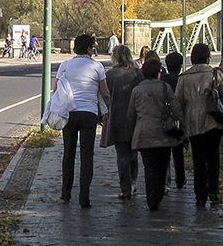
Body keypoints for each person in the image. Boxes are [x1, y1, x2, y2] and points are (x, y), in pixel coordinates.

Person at [174, 43, 223, 208]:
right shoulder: (215, 74)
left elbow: (178, 104)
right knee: (213, 156)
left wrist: (180, 125)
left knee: (198, 159)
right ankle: (214, 191)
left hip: (193, 122)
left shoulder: (183, 78)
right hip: (214, 120)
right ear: (208, 56)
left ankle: (200, 194)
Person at [53, 34, 111, 208]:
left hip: (69, 113)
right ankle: (84, 198)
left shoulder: (64, 66)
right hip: (89, 114)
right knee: (87, 155)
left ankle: (65, 193)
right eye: (93, 47)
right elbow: (105, 93)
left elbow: (56, 90)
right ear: (89, 49)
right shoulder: (97, 66)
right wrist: (106, 109)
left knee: (68, 154)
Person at [128, 57, 184, 211]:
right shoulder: (165, 88)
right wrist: (183, 126)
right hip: (163, 132)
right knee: (162, 164)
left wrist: (133, 130)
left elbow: (131, 114)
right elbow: (176, 108)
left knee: (149, 167)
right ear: (159, 72)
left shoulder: (137, 90)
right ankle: (158, 193)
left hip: (144, 132)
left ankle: (152, 198)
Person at [99, 45, 142, 200]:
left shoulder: (109, 75)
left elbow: (103, 96)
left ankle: (125, 188)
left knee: (121, 154)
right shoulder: (136, 73)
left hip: (116, 117)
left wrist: (102, 114)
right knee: (133, 152)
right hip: (135, 117)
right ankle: (133, 182)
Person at [161, 51, 188, 190]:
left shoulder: (163, 80)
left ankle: (166, 181)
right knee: (178, 150)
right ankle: (180, 178)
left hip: (166, 118)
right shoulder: (183, 79)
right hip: (179, 117)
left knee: (165, 151)